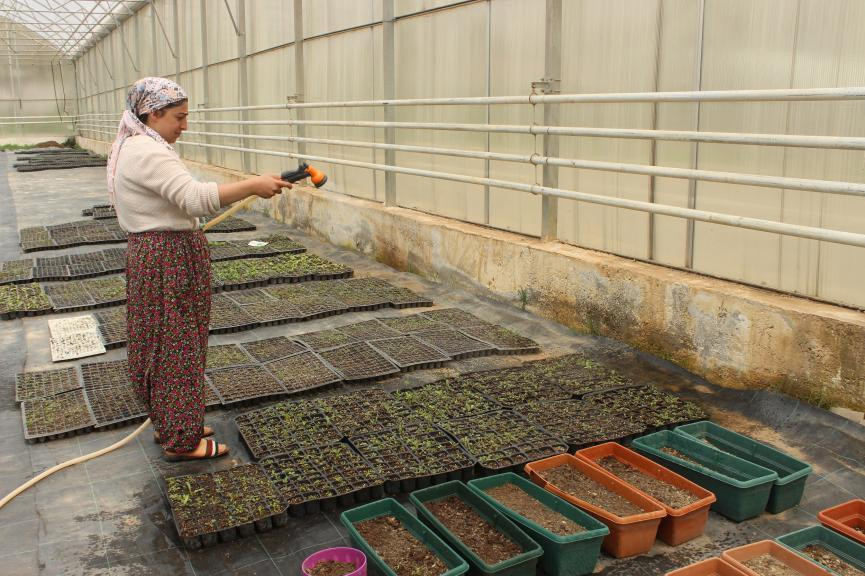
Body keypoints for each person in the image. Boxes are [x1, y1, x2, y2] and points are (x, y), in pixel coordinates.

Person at [107, 77, 292, 461]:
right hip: (166, 256)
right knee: (176, 346)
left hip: (160, 253)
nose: (184, 125)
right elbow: (193, 199)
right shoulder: (147, 151)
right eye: (179, 117)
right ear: (153, 113)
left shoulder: (142, 145)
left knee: (168, 342)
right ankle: (181, 440)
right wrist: (251, 186)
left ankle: (176, 421)